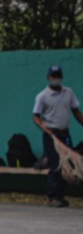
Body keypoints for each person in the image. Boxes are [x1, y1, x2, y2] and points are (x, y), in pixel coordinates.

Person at [33, 65, 83, 208]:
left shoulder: (68, 93)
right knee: (56, 165)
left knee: (68, 164)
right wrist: (43, 127)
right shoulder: (42, 96)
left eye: (58, 76)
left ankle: (61, 195)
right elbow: (36, 117)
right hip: (51, 134)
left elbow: (76, 111)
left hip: (64, 133)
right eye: (53, 76)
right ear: (48, 78)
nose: (55, 79)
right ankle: (53, 196)